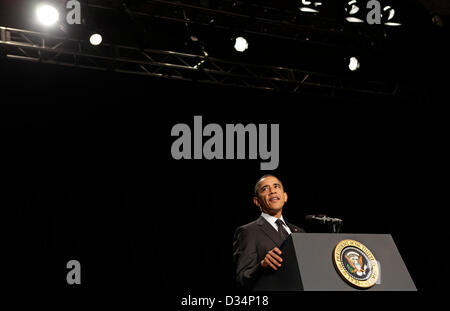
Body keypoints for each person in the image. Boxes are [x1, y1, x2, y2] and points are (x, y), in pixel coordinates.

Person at [233, 174, 305, 289]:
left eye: (276, 186)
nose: (272, 191)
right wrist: (262, 265)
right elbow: (242, 278)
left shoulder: (299, 232)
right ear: (257, 201)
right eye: (265, 189)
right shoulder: (248, 232)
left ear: (285, 196)